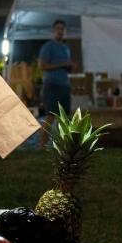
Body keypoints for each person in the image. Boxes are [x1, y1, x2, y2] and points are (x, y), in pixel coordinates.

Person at [37, 19, 78, 148]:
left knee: (65, 118)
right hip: (52, 85)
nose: (61, 31)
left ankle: (62, 148)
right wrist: (64, 64)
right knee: (51, 116)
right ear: (54, 31)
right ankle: (41, 147)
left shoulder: (66, 48)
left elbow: (64, 66)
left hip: (64, 85)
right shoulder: (48, 46)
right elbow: (42, 66)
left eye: (63, 29)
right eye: (58, 28)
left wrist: (71, 66)